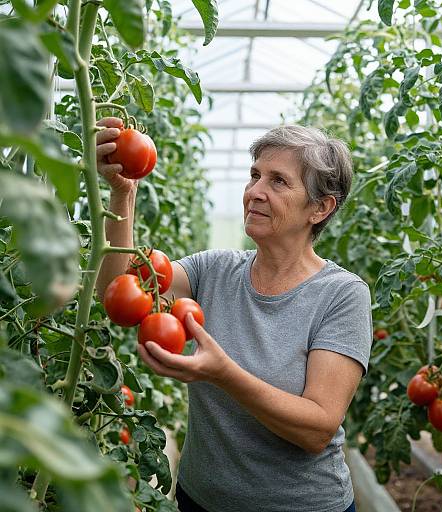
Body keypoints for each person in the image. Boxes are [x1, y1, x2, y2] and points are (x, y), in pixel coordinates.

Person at [96, 118, 373, 512]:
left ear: (320, 207)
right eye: (254, 175)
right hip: (199, 500)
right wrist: (122, 194)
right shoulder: (214, 270)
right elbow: (117, 290)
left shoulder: (342, 295)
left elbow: (317, 427)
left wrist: (223, 373)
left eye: (278, 181)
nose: (255, 192)